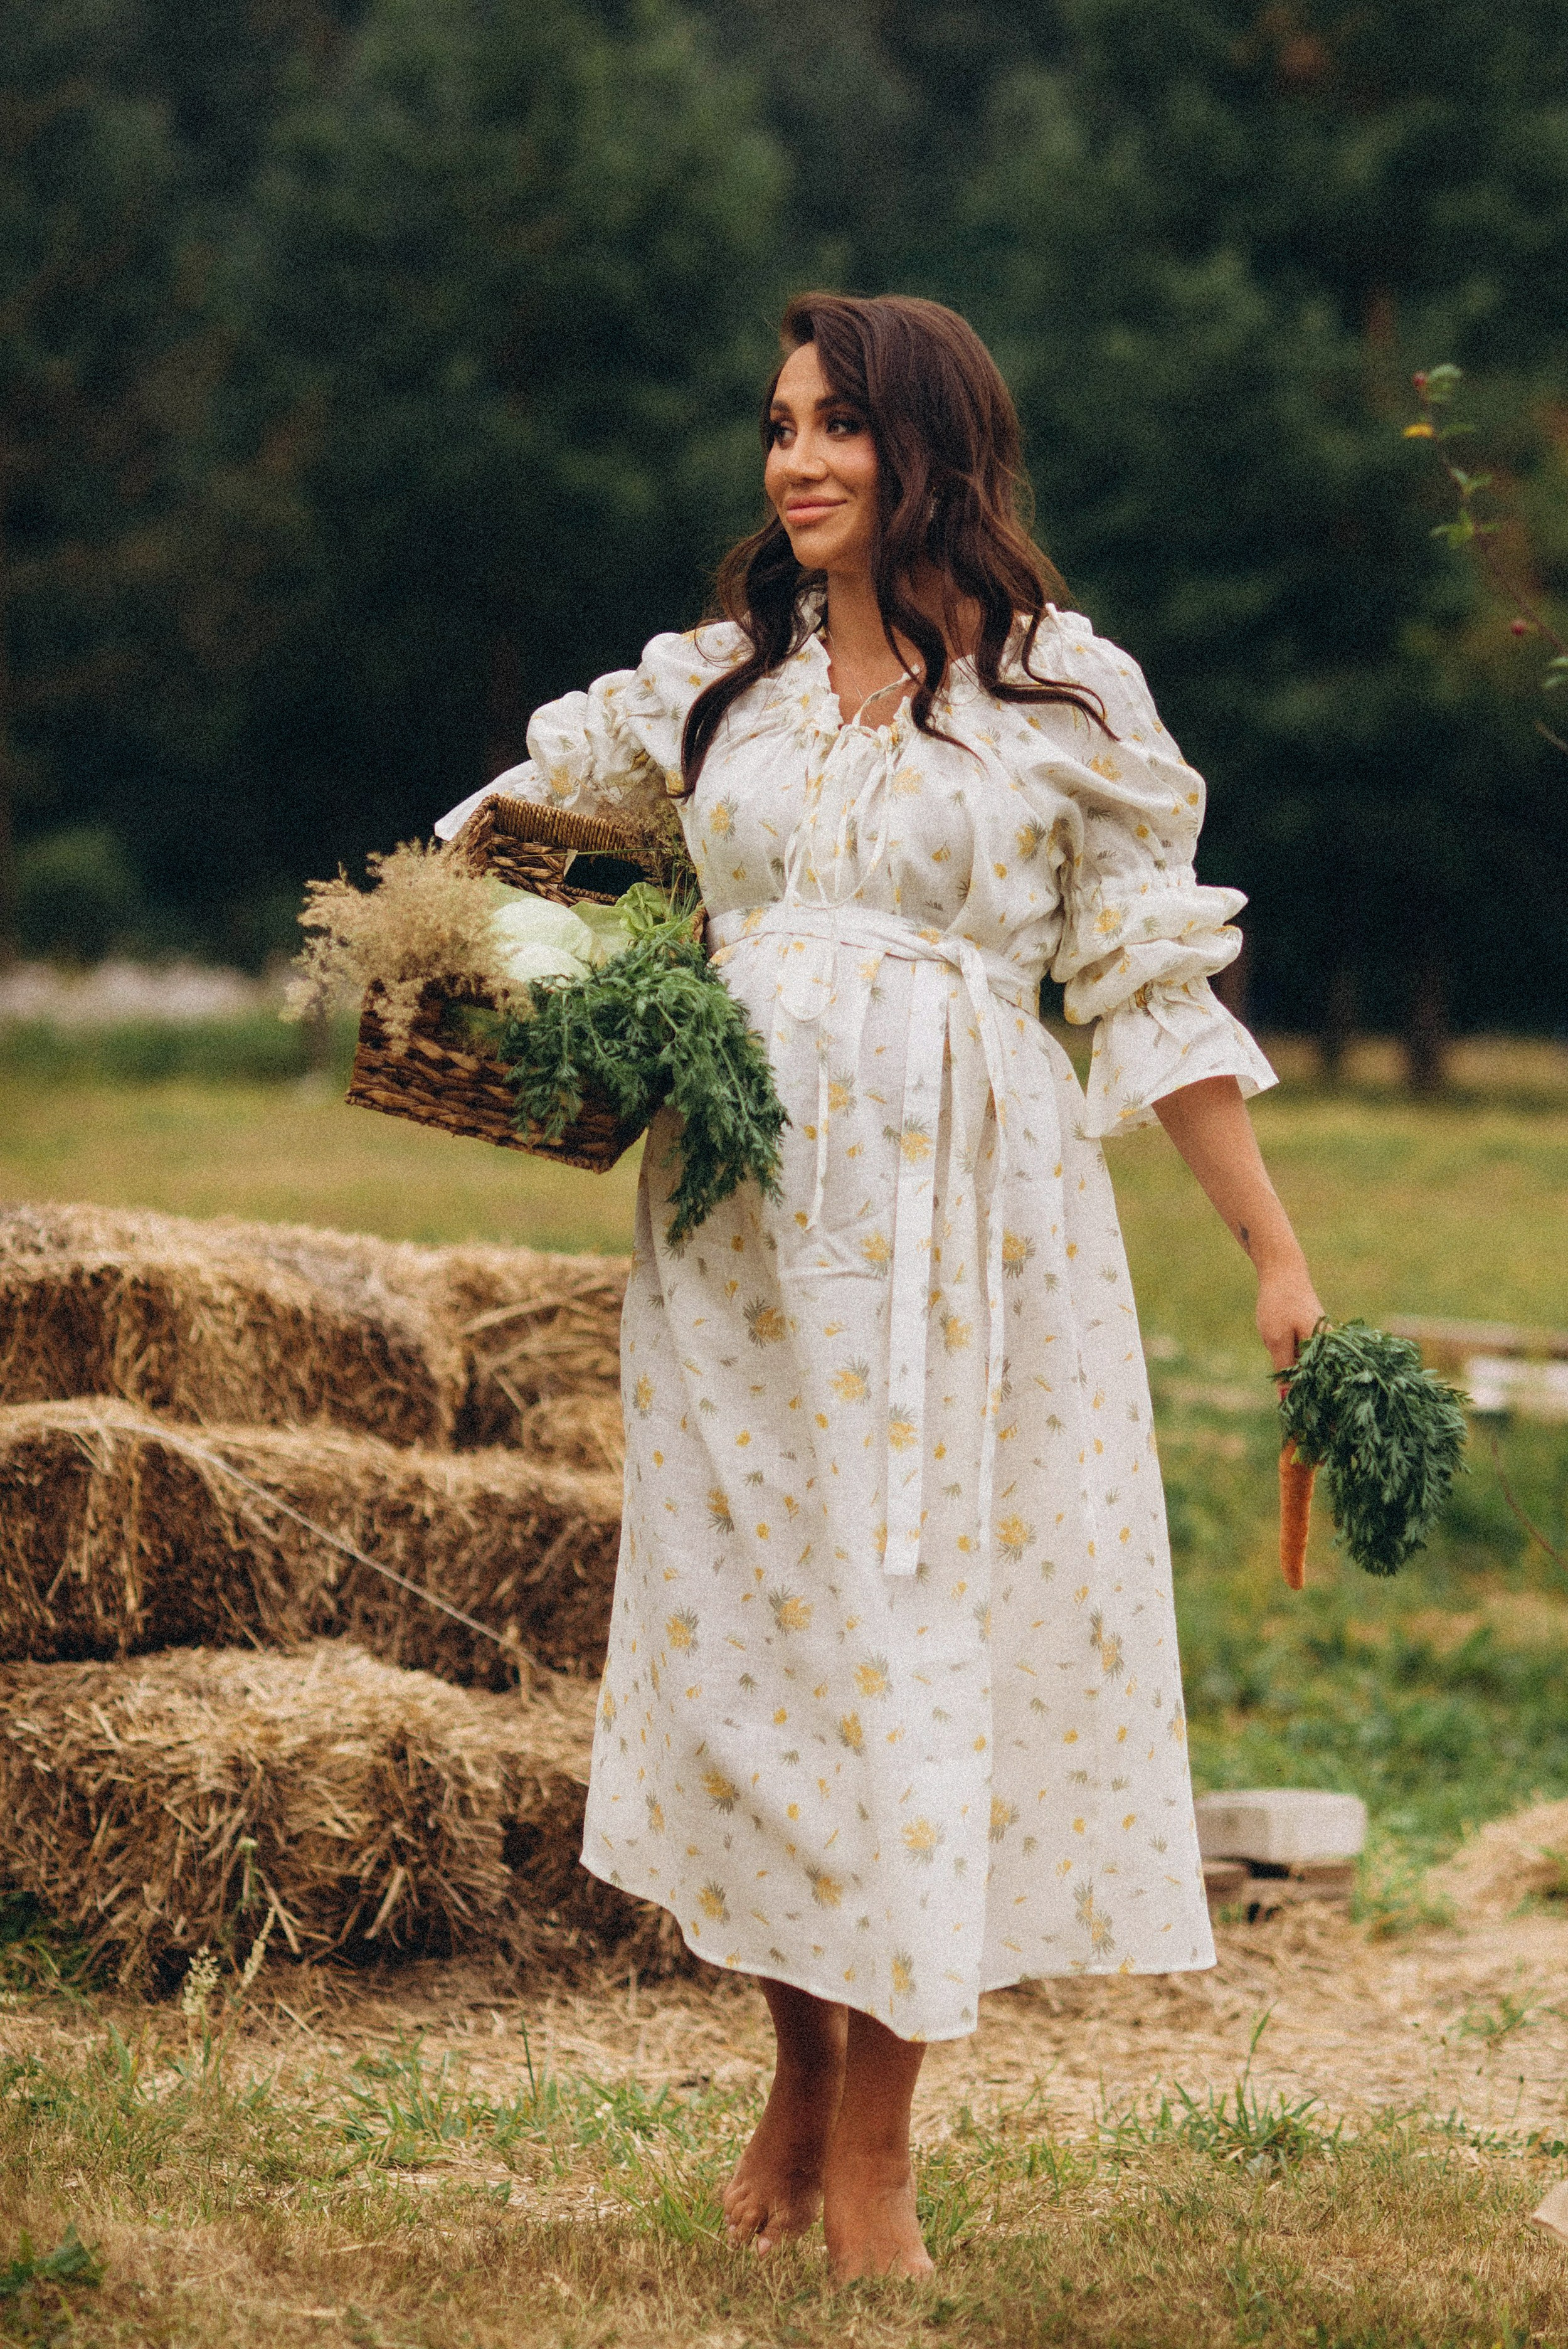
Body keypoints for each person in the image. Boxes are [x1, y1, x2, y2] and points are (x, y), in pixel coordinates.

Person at [436, 292, 1324, 2279]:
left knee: (919, 1657)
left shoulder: (1059, 698)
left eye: (836, 424)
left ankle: (879, 2151)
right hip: (735, 1236)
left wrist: (1272, 1255)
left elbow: (1149, 983)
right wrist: (506, 968)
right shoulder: (716, 687)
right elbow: (508, 839)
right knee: (761, 1660)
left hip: (967, 1242)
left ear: (930, 447)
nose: (796, 462)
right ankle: (798, 2064)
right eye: (777, 427)